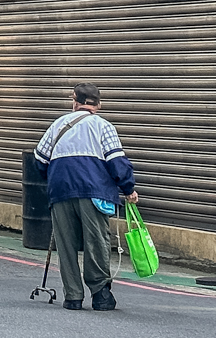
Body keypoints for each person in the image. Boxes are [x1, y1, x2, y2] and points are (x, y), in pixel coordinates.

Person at [33, 82, 138, 312]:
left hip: (60, 192)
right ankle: (100, 295)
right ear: (98, 104)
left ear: (75, 101)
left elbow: (40, 160)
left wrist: (55, 177)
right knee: (96, 241)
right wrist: (128, 189)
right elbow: (116, 162)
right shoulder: (103, 126)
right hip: (94, 192)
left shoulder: (57, 125)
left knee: (66, 244)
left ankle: (72, 296)